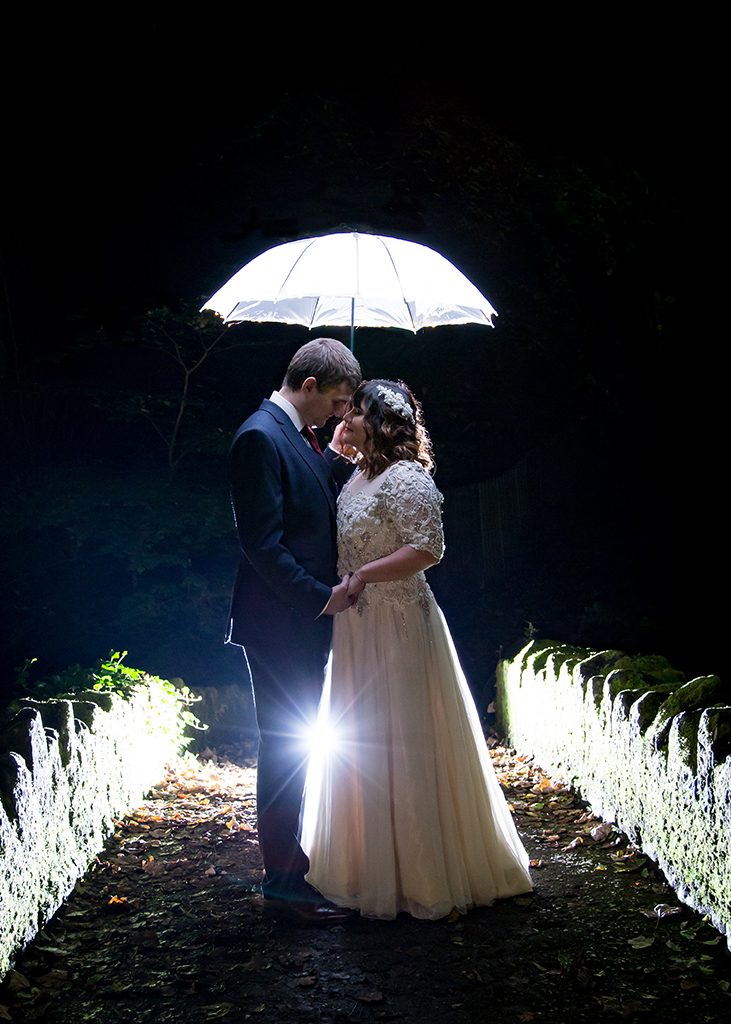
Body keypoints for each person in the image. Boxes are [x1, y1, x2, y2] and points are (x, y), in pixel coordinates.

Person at [301, 379, 533, 920]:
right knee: (361, 741)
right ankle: (366, 863)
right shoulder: (358, 476)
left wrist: (360, 578)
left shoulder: (406, 478)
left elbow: (426, 548)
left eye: (353, 412)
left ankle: (423, 876)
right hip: (358, 630)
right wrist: (338, 457)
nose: (344, 419)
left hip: (398, 622)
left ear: (378, 422)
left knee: (401, 738)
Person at [226, 337, 361, 925]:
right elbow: (263, 545)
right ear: (308, 387)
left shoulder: (299, 435)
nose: (339, 412)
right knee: (284, 748)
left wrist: (337, 456)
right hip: (281, 621)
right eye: (336, 400)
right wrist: (322, 600)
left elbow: (310, 494)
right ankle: (282, 885)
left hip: (298, 622)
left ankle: (295, 870)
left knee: (300, 744)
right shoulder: (258, 436)